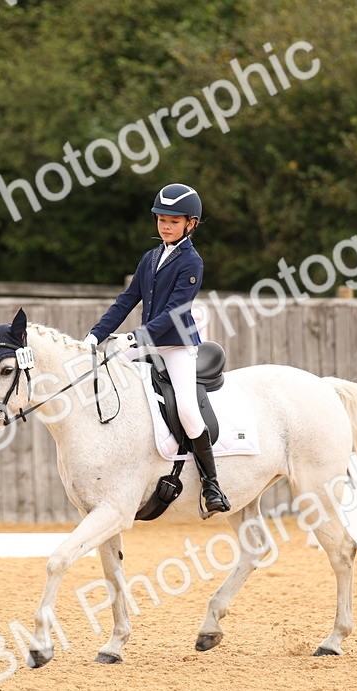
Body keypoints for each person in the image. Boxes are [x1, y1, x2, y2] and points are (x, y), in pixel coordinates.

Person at [83, 183, 231, 517]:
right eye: (162, 219)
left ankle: (212, 484)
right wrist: (95, 335)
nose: (165, 226)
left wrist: (135, 338)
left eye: (174, 221)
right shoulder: (150, 258)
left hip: (176, 345)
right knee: (106, 370)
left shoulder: (191, 262)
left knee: (189, 413)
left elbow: (175, 312)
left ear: (190, 224)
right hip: (147, 341)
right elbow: (126, 301)